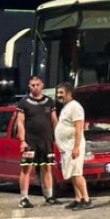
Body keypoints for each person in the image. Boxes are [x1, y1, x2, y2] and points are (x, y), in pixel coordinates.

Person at [16, 76, 60, 208]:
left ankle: (49, 196)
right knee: (26, 169)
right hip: (30, 142)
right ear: (29, 87)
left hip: (46, 141)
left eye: (37, 84)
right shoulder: (24, 102)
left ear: (42, 85)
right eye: (32, 85)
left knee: (47, 168)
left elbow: (54, 120)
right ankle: (24, 198)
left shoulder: (49, 102)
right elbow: (20, 122)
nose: (35, 87)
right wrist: (22, 140)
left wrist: (57, 137)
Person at [55, 82, 93, 210]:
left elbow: (78, 128)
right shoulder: (66, 107)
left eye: (61, 93)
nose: (58, 95)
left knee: (77, 173)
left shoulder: (75, 107)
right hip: (66, 147)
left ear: (69, 94)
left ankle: (86, 199)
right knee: (71, 174)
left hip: (73, 146)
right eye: (58, 93)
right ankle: (78, 198)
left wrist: (76, 147)